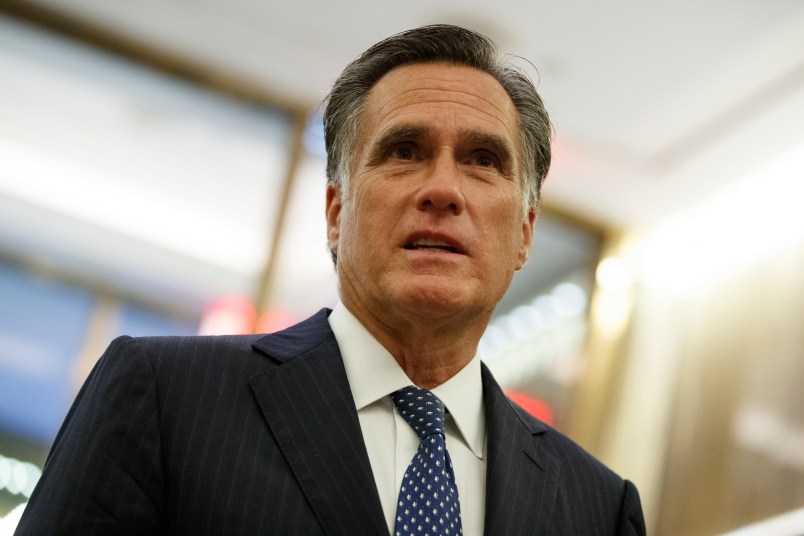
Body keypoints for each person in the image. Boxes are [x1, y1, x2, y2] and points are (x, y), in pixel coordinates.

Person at [16, 24, 646, 535]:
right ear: (337, 212)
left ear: (525, 234)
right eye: (404, 151)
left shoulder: (598, 508)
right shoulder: (163, 397)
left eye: (483, 161)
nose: (443, 189)